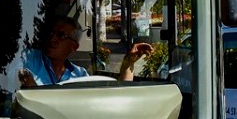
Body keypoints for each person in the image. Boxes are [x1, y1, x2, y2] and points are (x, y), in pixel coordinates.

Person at [17, 17, 147, 87]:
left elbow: (116, 97)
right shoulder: (29, 58)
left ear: (74, 47)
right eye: (52, 33)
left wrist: (128, 63)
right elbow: (12, 80)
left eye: (61, 35)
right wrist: (29, 86)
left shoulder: (79, 75)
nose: (53, 39)